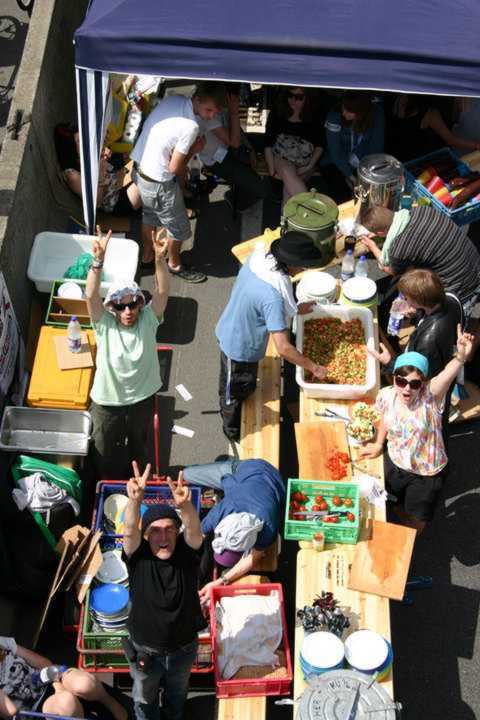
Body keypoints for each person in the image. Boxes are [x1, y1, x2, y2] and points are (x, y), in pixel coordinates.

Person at [360, 327, 475, 532]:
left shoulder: (430, 397)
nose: (407, 388)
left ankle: (408, 534)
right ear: (394, 377)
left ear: (423, 384)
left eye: (414, 384)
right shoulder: (386, 395)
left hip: (426, 475)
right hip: (396, 461)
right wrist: (378, 444)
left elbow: (447, 374)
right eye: (401, 381)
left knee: (416, 522)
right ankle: (399, 513)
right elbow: (386, 419)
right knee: (390, 499)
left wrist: (460, 356)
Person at [215, 231, 327, 441]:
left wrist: (296, 308)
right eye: (302, 266)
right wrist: (314, 367)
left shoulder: (258, 259)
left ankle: (244, 395)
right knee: (232, 393)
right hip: (238, 347)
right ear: (290, 264)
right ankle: (231, 430)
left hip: (234, 326)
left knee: (246, 382)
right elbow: (283, 348)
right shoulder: (273, 297)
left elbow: (271, 302)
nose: (302, 270)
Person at [122, 462, 204, 720]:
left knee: (177, 695)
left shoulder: (187, 553)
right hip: (146, 650)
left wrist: (185, 507)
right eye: (155, 531)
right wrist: (135, 501)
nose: (163, 536)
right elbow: (128, 532)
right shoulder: (138, 557)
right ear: (145, 536)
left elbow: (194, 531)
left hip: (183, 649)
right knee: (144, 700)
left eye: (169, 528)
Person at [86, 227, 169, 478]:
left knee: (139, 447)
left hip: (141, 400)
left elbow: (163, 291)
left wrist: (159, 259)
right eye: (120, 307)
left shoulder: (148, 320)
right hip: (107, 404)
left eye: (132, 304)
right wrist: (98, 261)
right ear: (112, 308)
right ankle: (104, 485)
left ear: (140, 304)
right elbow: (90, 294)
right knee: (103, 450)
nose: (128, 311)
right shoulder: (104, 324)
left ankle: (139, 484)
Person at [131, 82, 227, 281]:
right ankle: (174, 264)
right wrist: (195, 149)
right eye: (208, 110)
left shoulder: (175, 100)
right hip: (159, 182)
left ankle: (147, 257)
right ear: (197, 99)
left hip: (140, 169)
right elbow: (175, 168)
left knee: (149, 216)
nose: (210, 116)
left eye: (214, 112)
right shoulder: (190, 126)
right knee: (179, 228)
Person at [370, 268, 463, 431]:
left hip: (429, 372)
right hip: (447, 352)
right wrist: (417, 312)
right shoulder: (450, 298)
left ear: (420, 300)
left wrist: (389, 362)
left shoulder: (428, 341)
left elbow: (415, 376)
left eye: (407, 298)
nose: (404, 300)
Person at [182, 458, 285, 602]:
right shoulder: (219, 513)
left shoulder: (268, 527)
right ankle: (223, 463)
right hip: (244, 471)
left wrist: (219, 582)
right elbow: (198, 535)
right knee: (185, 475)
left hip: (269, 478)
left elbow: (253, 558)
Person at [359, 204, 480, 311]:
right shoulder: (423, 210)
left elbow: (389, 269)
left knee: (451, 322)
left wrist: (372, 245)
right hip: (474, 261)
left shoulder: (398, 249)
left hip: (460, 285)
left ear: (380, 233)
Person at [0, 636, 126, 720]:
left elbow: (42, 662)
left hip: (47, 679)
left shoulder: (2, 642)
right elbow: (11, 711)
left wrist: (58, 686)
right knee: (66, 702)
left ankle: (110, 703)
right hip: (36, 712)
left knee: (84, 683)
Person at [198, 87, 271, 213]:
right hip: (217, 161)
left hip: (228, 150)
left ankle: (245, 181)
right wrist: (234, 113)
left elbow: (235, 131)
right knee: (263, 190)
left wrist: (250, 148)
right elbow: (235, 142)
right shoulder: (211, 114)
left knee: (260, 150)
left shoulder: (221, 106)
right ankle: (236, 201)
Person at [54, 122, 142, 216]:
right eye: (79, 140)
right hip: (115, 200)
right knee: (147, 181)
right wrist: (100, 172)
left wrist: (104, 156)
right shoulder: (71, 174)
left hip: (118, 178)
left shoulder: (85, 156)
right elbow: (97, 202)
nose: (85, 141)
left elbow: (108, 166)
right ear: (70, 148)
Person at [264, 87, 323, 204]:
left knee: (289, 187)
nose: (293, 100)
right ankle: (310, 213)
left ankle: (287, 220)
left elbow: (320, 145)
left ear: (307, 98)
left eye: (299, 97)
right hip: (282, 157)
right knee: (287, 172)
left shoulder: (314, 115)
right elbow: (268, 143)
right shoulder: (277, 113)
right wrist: (272, 171)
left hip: (305, 161)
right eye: (290, 95)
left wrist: (309, 166)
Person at [387, 95, 480, 162]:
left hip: (394, 157)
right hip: (417, 161)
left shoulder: (396, 98)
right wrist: (476, 145)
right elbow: (451, 140)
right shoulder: (430, 113)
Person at [324, 91, 385, 190]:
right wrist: (350, 176)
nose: (344, 112)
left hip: (363, 160)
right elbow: (335, 151)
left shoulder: (376, 113)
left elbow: (376, 146)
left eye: (349, 110)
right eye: (344, 107)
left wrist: (367, 175)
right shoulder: (334, 116)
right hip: (337, 162)